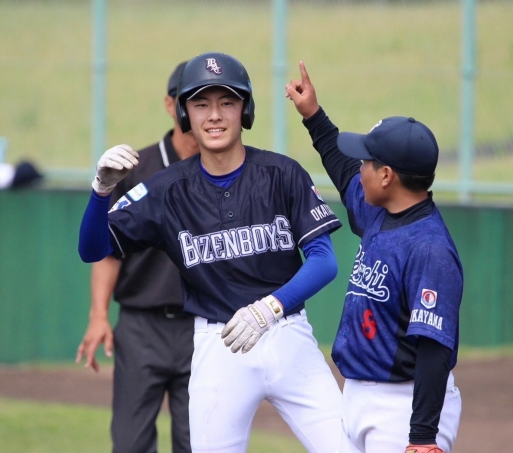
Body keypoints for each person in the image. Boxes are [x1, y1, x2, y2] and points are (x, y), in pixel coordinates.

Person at [78, 52, 343, 453]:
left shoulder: (282, 173)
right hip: (219, 345)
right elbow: (93, 248)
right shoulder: (165, 189)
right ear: (184, 113)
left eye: (227, 102)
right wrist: (101, 191)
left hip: (287, 333)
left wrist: (269, 308)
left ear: (245, 110)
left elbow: (324, 260)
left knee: (344, 446)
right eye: (201, 104)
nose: (214, 115)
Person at [285, 61, 463, 453]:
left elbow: (434, 348)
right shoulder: (379, 212)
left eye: (367, 162)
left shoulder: (430, 248)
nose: (360, 168)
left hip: (403, 407)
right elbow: (342, 169)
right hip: (358, 398)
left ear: (386, 176)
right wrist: (313, 116)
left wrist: (422, 437)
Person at [75, 61, 200, 453]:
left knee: (200, 443)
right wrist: (98, 316)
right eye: (188, 99)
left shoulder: (224, 171)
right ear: (170, 104)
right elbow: (106, 252)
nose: (198, 109)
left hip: (203, 327)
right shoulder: (135, 168)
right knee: (130, 444)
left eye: (207, 100)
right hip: (141, 325)